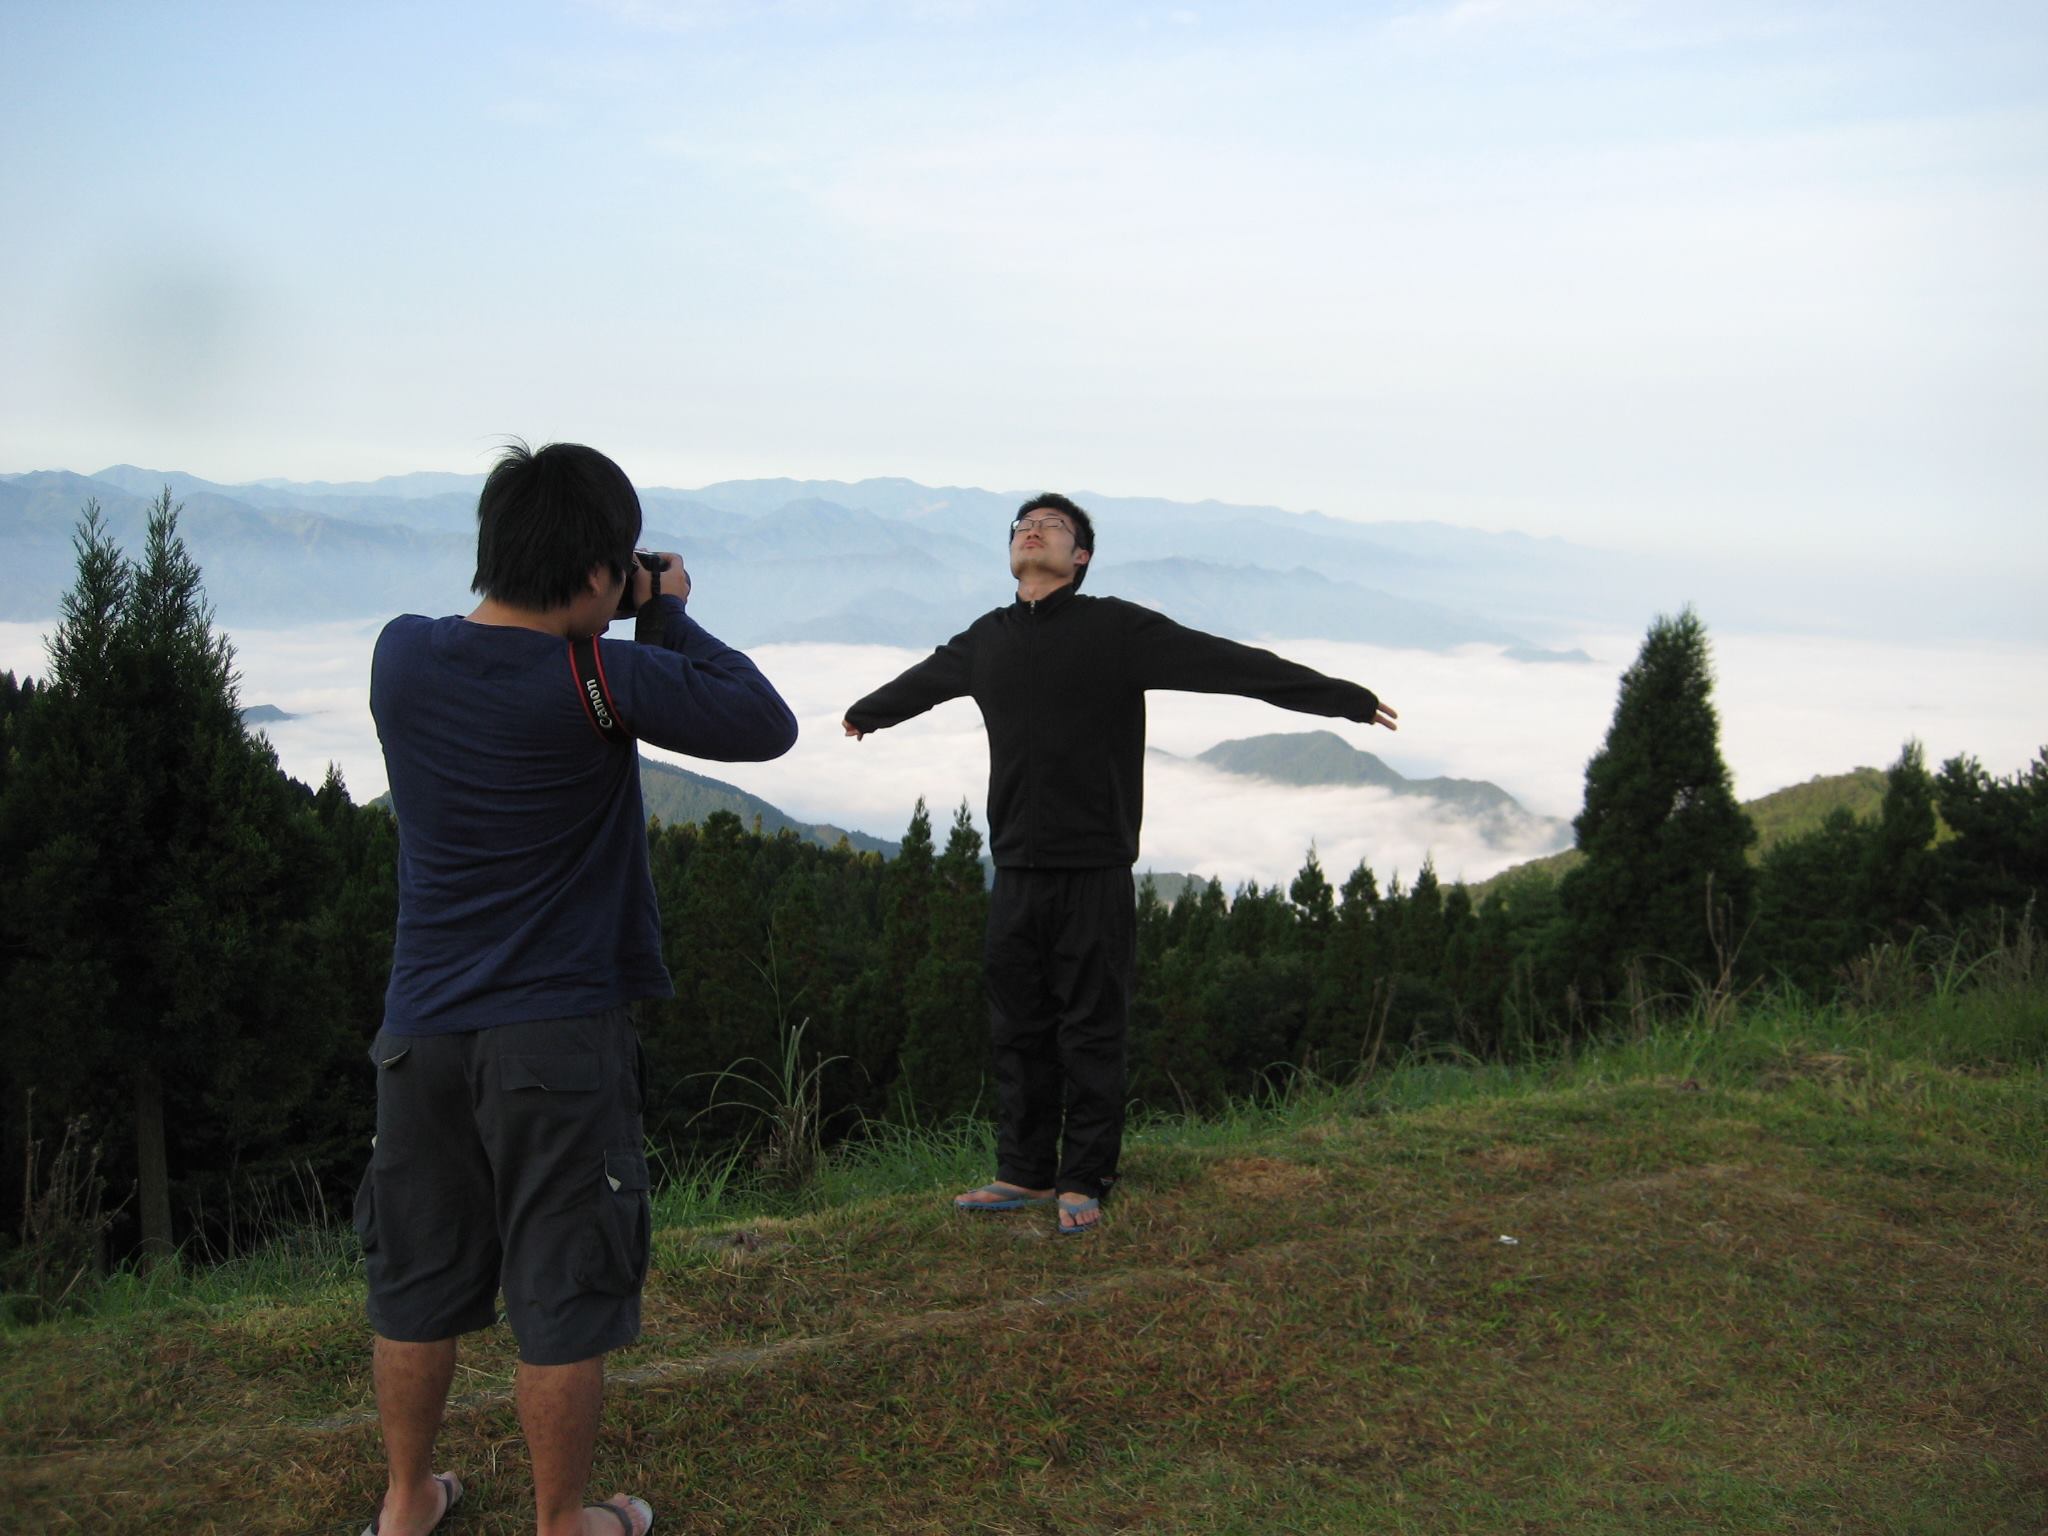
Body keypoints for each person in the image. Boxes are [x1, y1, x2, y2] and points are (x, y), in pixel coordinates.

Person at [356, 441, 798, 1536]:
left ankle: (406, 1502)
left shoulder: (399, 656)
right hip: (555, 1041)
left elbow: (496, 640)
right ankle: (563, 1522)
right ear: (600, 572)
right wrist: (667, 615)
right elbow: (764, 719)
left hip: (419, 1032)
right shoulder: (598, 678)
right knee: (561, 1290)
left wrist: (609, 600)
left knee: (416, 1277)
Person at [842, 492, 1396, 1235]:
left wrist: (1343, 700)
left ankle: (1085, 1177)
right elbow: (926, 680)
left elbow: (1230, 664)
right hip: (1015, 868)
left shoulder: (1115, 629)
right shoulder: (986, 639)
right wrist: (867, 713)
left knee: (1091, 1028)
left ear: (1080, 557)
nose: (1031, 530)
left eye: (1052, 526)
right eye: (1022, 525)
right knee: (1018, 1027)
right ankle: (1024, 1170)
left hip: (1095, 865)